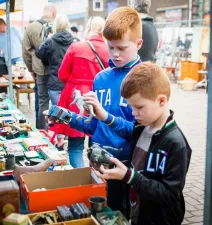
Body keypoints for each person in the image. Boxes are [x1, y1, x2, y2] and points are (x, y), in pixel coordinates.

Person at [46, 7, 143, 215]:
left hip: (124, 169)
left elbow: (140, 133)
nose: (115, 54)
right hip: (97, 164)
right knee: (98, 214)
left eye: (122, 48)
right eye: (111, 47)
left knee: (119, 215)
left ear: (139, 44)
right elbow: (92, 126)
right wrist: (66, 116)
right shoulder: (101, 78)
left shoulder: (143, 79)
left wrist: (107, 117)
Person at [96, 62, 192, 225]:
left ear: (162, 101)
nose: (133, 113)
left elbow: (169, 195)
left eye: (139, 107)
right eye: (132, 107)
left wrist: (128, 176)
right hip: (138, 213)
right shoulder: (141, 127)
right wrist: (118, 169)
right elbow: (139, 167)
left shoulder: (176, 144)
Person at [52, 16, 109, 167]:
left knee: (75, 147)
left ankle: (83, 182)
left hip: (76, 99)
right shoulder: (110, 49)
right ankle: (96, 180)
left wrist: (75, 82)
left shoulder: (76, 47)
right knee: (98, 147)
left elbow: (62, 74)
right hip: (100, 99)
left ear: (89, 28)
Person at [36, 13, 74, 150]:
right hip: (70, 84)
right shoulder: (75, 40)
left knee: (58, 113)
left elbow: (39, 53)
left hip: (55, 82)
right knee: (70, 112)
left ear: (55, 26)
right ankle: (70, 139)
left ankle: (60, 141)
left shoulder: (50, 41)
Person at [22, 3, 57, 130]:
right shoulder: (59, 26)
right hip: (57, 71)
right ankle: (57, 132)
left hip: (40, 70)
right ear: (54, 13)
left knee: (43, 101)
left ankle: (42, 131)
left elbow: (26, 51)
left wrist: (31, 69)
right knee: (57, 101)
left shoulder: (31, 27)